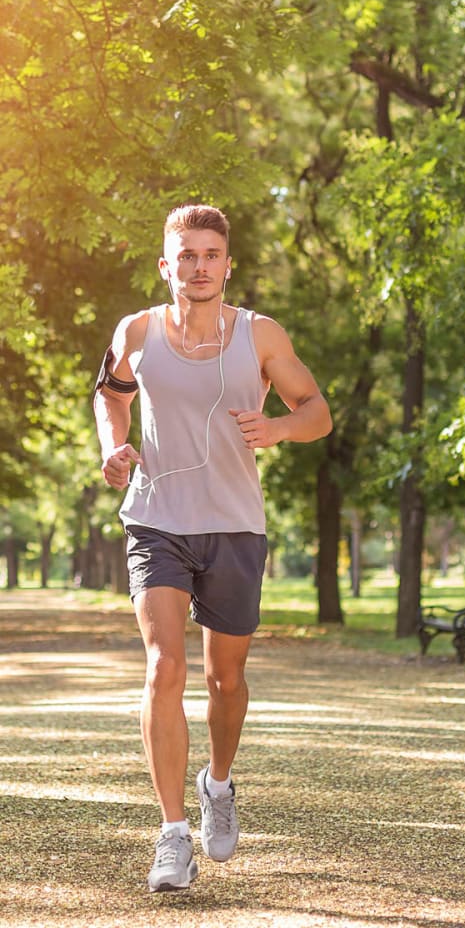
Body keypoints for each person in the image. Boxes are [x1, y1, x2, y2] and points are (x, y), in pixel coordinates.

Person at [93, 204, 332, 892]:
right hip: (156, 520)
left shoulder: (260, 335)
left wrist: (279, 429)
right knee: (164, 667)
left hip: (233, 525)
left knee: (225, 683)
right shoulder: (137, 331)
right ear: (166, 266)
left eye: (211, 256)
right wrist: (115, 448)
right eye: (186, 256)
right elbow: (110, 395)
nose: (199, 267)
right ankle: (172, 837)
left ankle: (217, 783)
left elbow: (317, 411)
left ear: (228, 265)